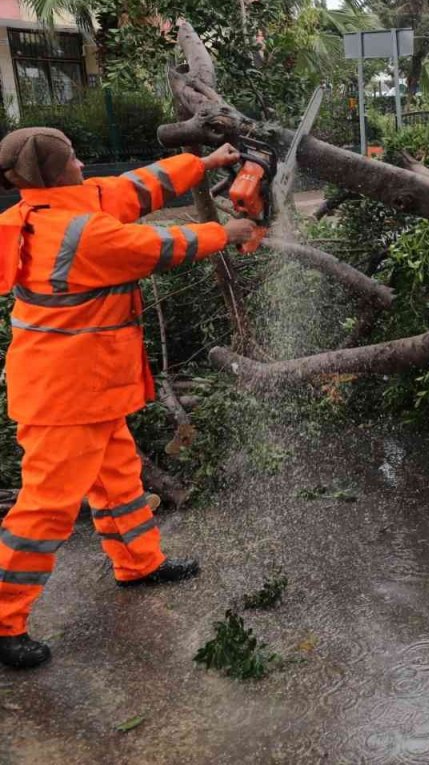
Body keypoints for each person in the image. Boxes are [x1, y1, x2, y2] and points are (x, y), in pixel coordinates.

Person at [0, 128, 256, 670]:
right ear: (56, 173)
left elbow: (136, 186)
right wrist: (226, 232)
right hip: (65, 395)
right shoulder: (82, 233)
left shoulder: (53, 207)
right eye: (74, 157)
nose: (82, 162)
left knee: (117, 477)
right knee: (46, 507)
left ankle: (138, 562)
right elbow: (159, 246)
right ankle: (4, 620)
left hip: (81, 385)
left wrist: (204, 162)